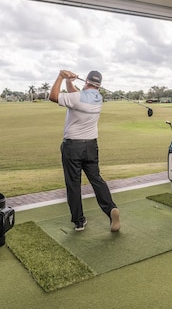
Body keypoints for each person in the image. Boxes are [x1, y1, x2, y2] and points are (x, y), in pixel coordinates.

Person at [49, 69, 120, 232]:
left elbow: (53, 96)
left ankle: (79, 221)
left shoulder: (77, 98)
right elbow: (76, 96)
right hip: (91, 146)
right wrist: (69, 82)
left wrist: (61, 76)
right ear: (99, 85)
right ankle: (111, 209)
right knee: (96, 179)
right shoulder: (98, 98)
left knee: (73, 184)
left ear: (86, 81)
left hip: (72, 146)